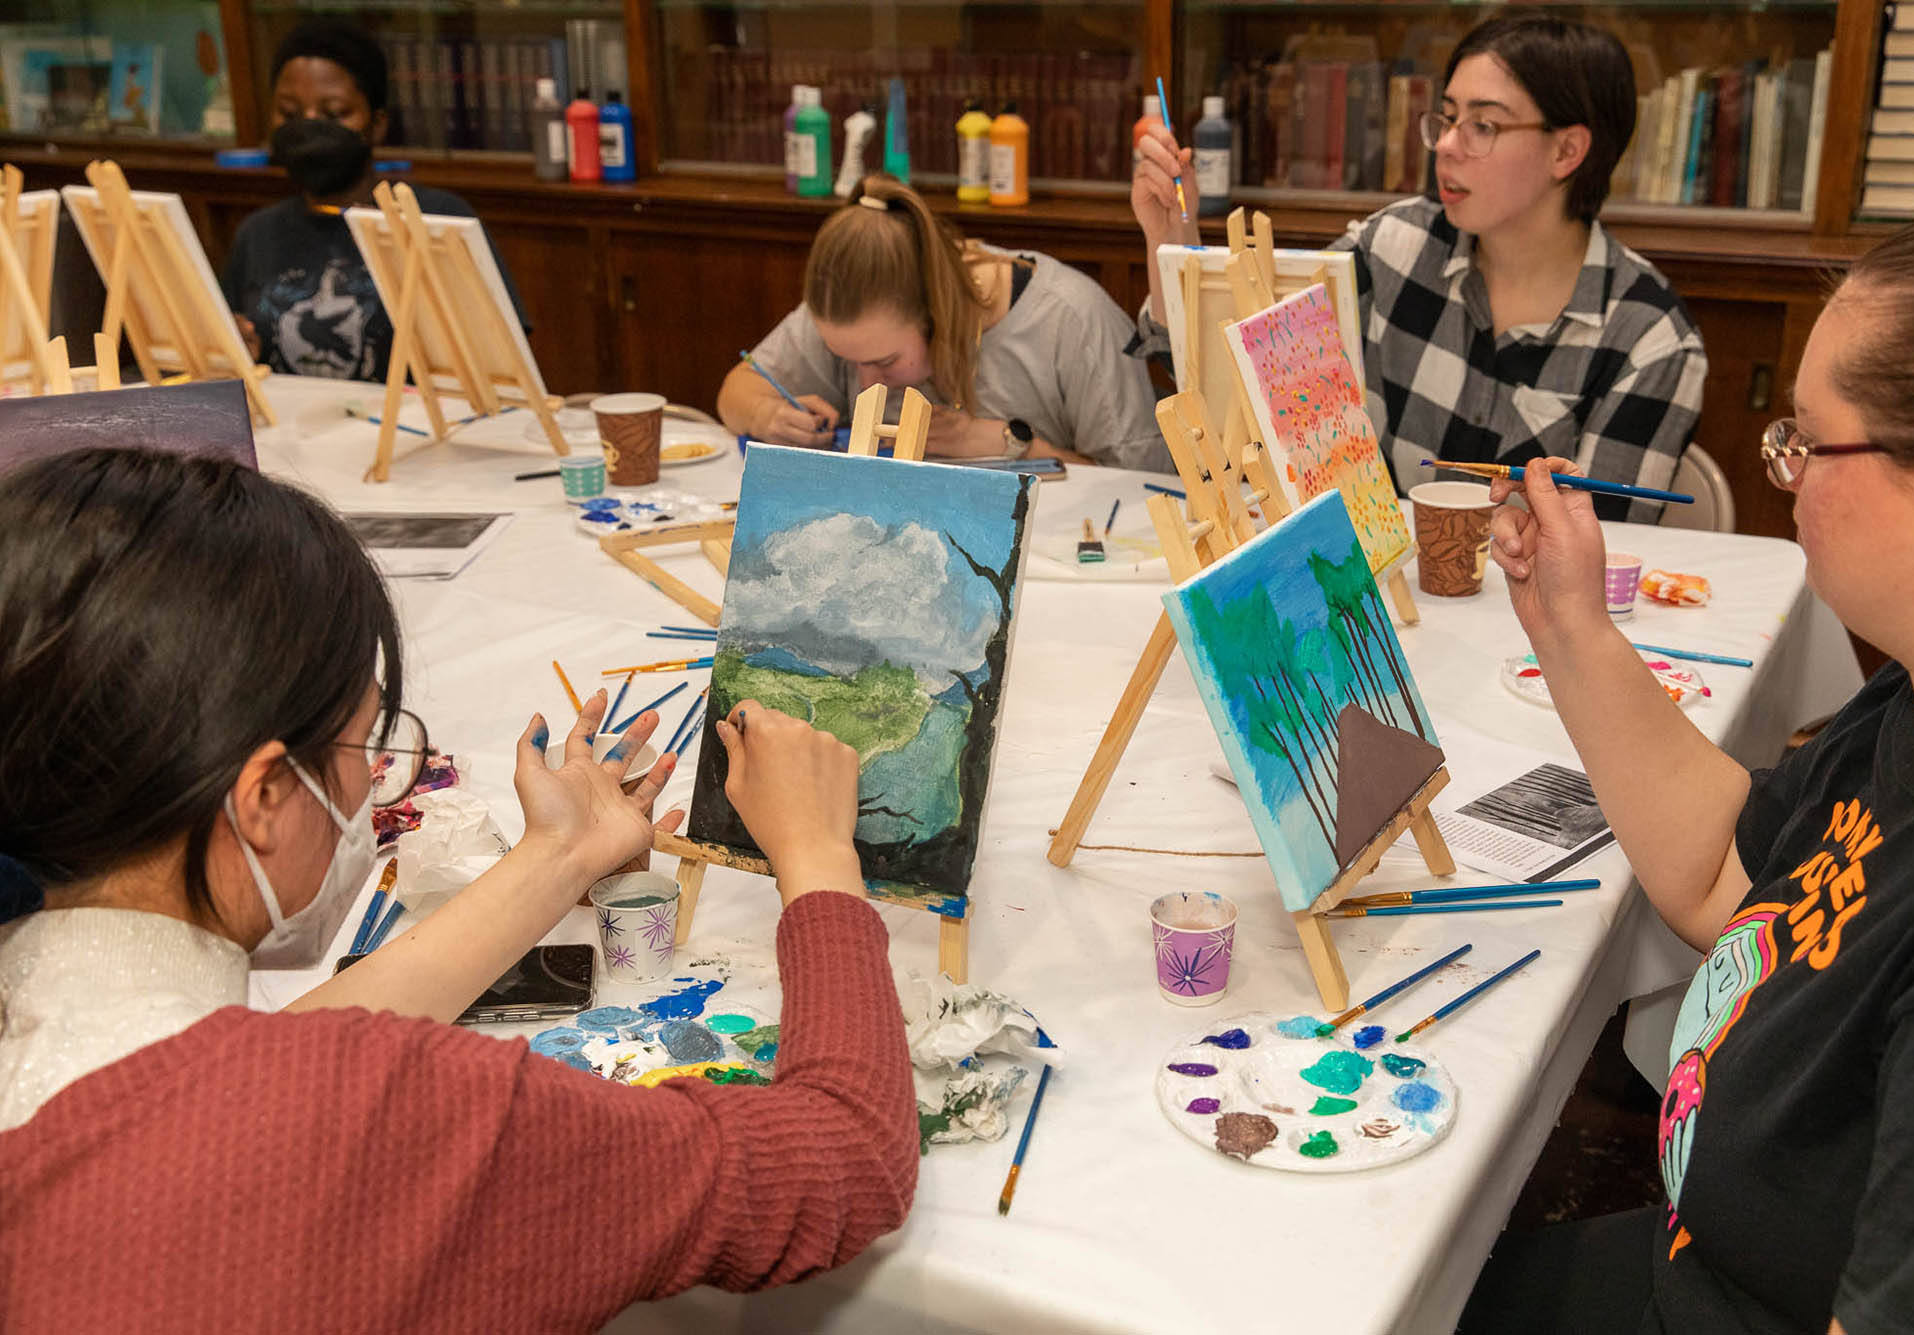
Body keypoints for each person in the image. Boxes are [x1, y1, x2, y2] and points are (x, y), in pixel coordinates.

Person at [0, 449, 916, 1326]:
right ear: (268, 797)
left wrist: (560, 854)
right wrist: (819, 859)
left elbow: (257, 1061)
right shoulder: (390, 1122)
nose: (376, 782)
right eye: (367, 747)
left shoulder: (85, 1074)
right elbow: (845, 1156)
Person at [1457, 191, 1914, 1332]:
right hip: (1689, 1260)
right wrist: (1569, 626)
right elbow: (1722, 877)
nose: (1784, 472)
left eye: (1805, 440)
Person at [1132, 14, 1707, 520]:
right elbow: (1232, 387)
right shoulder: (1395, 246)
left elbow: (1601, 555)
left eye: (1483, 125)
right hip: (1377, 598)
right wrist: (1171, 238)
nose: (1447, 146)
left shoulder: (1651, 342)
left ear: (1567, 152)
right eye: (1449, 117)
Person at [720, 174, 1170, 471]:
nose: (863, 381)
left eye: (885, 361)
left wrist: (1012, 445)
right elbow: (737, 390)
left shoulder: (1070, 318)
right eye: (844, 359)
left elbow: (1138, 489)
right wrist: (767, 415)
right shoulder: (855, 306)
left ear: (936, 312)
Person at [221, 17, 530, 382]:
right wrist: (237, 348)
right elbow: (232, 345)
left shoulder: (436, 219)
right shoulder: (258, 233)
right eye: (289, 114)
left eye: (334, 113)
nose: (308, 126)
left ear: (377, 124)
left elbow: (505, 362)